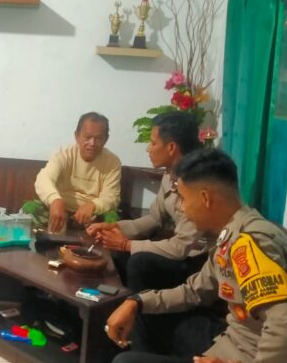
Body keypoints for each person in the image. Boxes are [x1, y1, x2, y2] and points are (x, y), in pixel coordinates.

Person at [106, 148, 287, 363]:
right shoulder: (230, 233)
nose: (183, 209)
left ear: (205, 198)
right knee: (144, 313)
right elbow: (194, 291)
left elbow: (286, 330)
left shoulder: (249, 243)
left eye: (184, 199)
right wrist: (137, 302)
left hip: (254, 360)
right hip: (230, 344)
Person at [87, 111, 211, 292]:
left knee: (139, 262)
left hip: (200, 263)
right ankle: (120, 301)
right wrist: (114, 228)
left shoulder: (198, 183)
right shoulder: (170, 175)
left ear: (171, 148)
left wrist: (126, 244)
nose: (148, 149)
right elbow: (154, 219)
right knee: (118, 251)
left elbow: (180, 247)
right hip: (180, 254)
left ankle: (138, 306)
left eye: (153, 143)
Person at [34, 112, 121, 233]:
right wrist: (55, 200)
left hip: (93, 216)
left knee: (112, 220)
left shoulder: (112, 162)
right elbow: (43, 179)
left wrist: (93, 205)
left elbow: (111, 197)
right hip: (59, 211)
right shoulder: (64, 154)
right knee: (30, 210)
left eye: (98, 138)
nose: (92, 143)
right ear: (77, 136)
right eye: (87, 137)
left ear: (106, 139)